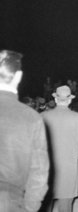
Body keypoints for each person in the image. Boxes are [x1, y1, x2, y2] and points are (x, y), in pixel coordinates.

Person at [0, 50, 49, 212]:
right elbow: (39, 174)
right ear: (18, 76)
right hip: (9, 202)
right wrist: (29, 207)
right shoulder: (30, 117)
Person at [41, 85, 78, 212]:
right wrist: (75, 155)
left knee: (45, 201)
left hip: (47, 164)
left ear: (55, 99)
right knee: (66, 203)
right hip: (68, 164)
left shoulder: (43, 116)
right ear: (70, 100)